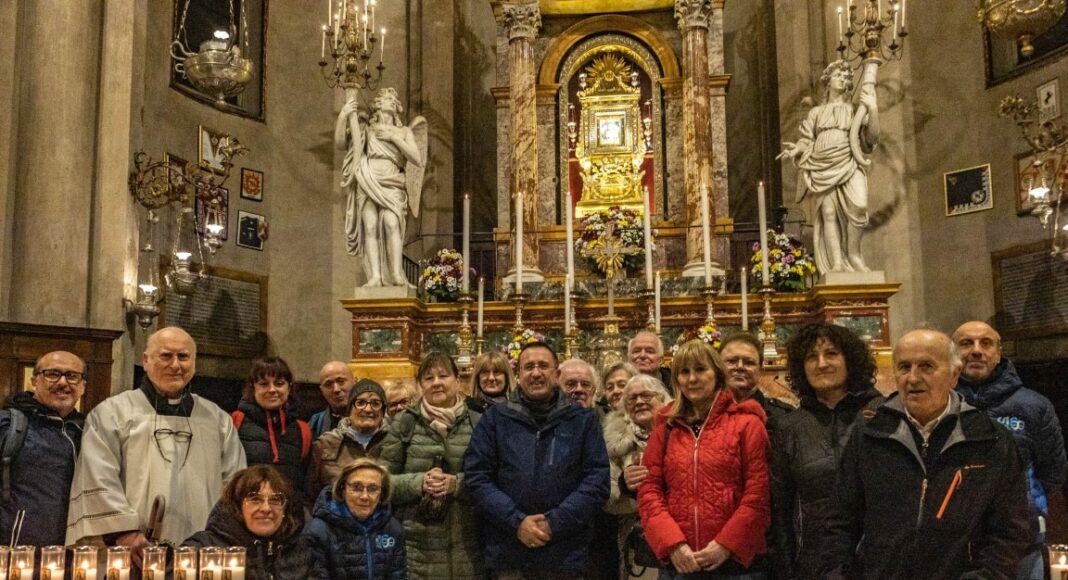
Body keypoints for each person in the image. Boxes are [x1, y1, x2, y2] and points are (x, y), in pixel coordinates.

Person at [834, 328, 1031, 579]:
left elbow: (1009, 531)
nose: (913, 378)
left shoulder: (989, 438)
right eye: (904, 367)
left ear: (954, 375)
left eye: (926, 366)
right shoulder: (870, 433)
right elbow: (840, 520)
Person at [66, 327, 246, 559]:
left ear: (194, 362)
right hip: (132, 550)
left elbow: (234, 484)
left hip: (203, 550)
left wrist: (218, 537)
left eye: (183, 357)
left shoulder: (217, 419)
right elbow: (98, 475)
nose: (175, 365)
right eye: (165, 356)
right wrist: (125, 531)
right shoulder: (111, 413)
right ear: (145, 360)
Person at [464, 341, 610, 579]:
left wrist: (554, 523)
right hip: (509, 551)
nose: (536, 373)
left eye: (543, 366)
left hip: (565, 553)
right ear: (518, 374)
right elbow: (477, 477)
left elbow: (597, 480)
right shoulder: (495, 419)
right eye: (528, 366)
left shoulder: (582, 420)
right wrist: (517, 522)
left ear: (557, 374)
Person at [637, 340, 770, 579]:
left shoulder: (746, 423)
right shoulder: (665, 428)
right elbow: (649, 491)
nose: (692, 379)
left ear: (717, 374)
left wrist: (726, 544)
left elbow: (757, 494)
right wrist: (673, 544)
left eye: (700, 369)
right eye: (684, 372)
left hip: (735, 563)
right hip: (680, 562)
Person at [952, 321, 1068, 579]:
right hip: (957, 541)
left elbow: (1053, 474)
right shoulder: (940, 405)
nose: (977, 351)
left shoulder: (1034, 406)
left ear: (999, 353)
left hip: (1022, 541)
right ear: (952, 353)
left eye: (986, 343)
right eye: (966, 343)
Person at [770, 324, 881, 579]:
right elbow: (781, 511)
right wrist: (786, 571)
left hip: (874, 560)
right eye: (811, 357)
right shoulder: (790, 426)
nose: (821, 364)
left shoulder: (881, 414)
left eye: (831, 354)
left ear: (850, 360)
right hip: (813, 564)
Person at [380, 352, 483, 579]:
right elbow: (381, 483)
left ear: (458, 381)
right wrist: (419, 483)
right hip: (417, 550)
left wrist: (457, 484)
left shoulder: (478, 422)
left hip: (468, 546)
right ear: (419, 385)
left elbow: (493, 479)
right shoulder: (404, 423)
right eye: (428, 378)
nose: (436, 382)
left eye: (443, 376)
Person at [780, 59, 878, 273]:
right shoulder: (816, 112)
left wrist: (873, 108)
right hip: (821, 162)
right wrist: (797, 149)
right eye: (838, 75)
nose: (842, 79)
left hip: (848, 159)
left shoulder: (854, 110)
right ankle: (836, 262)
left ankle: (854, 254)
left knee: (859, 206)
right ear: (828, 81)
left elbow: (871, 139)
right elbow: (807, 138)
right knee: (829, 214)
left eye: (846, 77)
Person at [338, 86, 428, 287]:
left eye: (392, 99)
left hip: (392, 180)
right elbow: (340, 143)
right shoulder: (367, 129)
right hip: (368, 177)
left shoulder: (404, 131)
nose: (390, 101)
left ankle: (396, 274)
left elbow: (417, 158)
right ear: (378, 105)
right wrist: (344, 115)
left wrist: (394, 138)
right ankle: (375, 277)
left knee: (390, 223)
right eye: (386, 98)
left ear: (396, 107)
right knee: (369, 226)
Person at [0, 351, 86, 547]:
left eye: (72, 376)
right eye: (52, 374)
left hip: (74, 555)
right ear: (34, 381)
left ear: (82, 386)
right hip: (15, 556)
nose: (63, 382)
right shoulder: (8, 425)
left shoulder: (88, 432)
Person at [183, 465, 312, 580]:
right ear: (237, 506)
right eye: (255, 499)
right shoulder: (202, 550)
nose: (266, 508)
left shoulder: (301, 553)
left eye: (275, 500)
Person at [603, 374, 669, 580]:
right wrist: (626, 487)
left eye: (646, 396)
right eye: (631, 399)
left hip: (683, 535)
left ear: (663, 399)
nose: (639, 402)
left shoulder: (680, 431)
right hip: (637, 540)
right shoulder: (614, 442)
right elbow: (607, 499)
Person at [305, 457, 407, 579]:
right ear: (342, 489)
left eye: (373, 489)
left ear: (382, 494)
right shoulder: (318, 531)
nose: (365, 496)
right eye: (357, 487)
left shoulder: (393, 529)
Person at [232, 357, 312, 509]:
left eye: (279, 383)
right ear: (253, 387)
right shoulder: (235, 422)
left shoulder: (303, 430)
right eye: (263, 384)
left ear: (289, 387)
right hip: (246, 514)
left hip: (289, 517)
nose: (272, 389)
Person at [310, 379, 390, 503]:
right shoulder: (326, 443)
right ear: (350, 409)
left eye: (376, 403)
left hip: (382, 516)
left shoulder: (394, 442)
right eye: (361, 402)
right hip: (335, 517)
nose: (368, 409)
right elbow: (311, 493)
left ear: (383, 410)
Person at [719, 333, 793, 428]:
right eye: (732, 361)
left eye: (749, 362)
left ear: (761, 370)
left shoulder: (784, 416)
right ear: (718, 367)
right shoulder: (705, 413)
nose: (740, 366)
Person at [310, 361, 355, 440]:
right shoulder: (315, 424)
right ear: (322, 391)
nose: (336, 389)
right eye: (328, 384)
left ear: (354, 381)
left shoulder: (370, 420)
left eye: (341, 381)